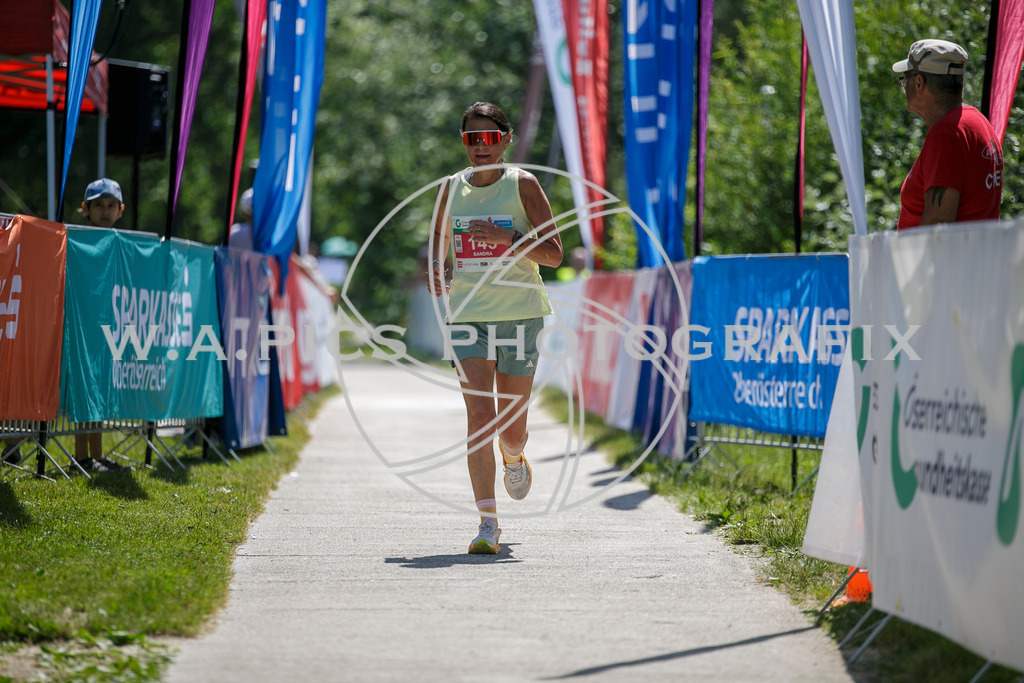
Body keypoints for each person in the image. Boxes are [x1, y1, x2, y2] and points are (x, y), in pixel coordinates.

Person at [427, 102, 563, 554]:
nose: (480, 148)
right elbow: (437, 249)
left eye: (488, 139)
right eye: (471, 139)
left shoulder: (523, 184)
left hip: (520, 312)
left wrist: (510, 241)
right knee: (480, 417)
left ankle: (514, 454)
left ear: (505, 139)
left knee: (510, 427)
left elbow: (554, 255)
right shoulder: (449, 189)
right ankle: (488, 523)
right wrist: (439, 269)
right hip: (468, 314)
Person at [892, 39, 1003, 230]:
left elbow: (938, 225)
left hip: (949, 260)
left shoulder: (946, 134)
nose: (905, 86)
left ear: (919, 83)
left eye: (906, 78)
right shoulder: (979, 123)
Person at [75, 178, 129, 473]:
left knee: (98, 392)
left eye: (111, 206)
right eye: (99, 205)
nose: (105, 211)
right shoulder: (77, 240)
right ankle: (81, 457)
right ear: (86, 209)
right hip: (82, 327)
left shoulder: (120, 244)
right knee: (86, 390)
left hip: (109, 328)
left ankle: (97, 456)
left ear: (120, 210)